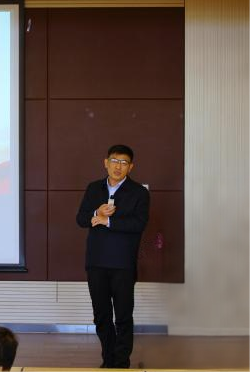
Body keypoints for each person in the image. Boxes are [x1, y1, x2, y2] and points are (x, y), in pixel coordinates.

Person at [76, 144, 150, 369]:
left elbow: (139, 224)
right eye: (114, 161)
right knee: (101, 315)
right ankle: (108, 360)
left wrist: (108, 221)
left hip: (123, 263)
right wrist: (96, 213)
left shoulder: (139, 192)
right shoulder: (94, 188)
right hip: (96, 262)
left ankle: (121, 363)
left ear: (131, 167)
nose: (118, 166)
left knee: (123, 316)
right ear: (106, 163)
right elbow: (81, 219)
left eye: (123, 163)